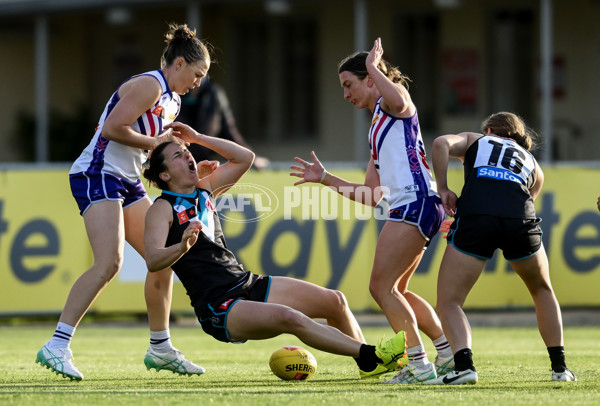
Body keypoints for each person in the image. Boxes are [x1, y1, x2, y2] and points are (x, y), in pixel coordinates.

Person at [141, 128, 408, 379]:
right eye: (178, 155)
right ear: (164, 175)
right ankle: (372, 354)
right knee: (289, 317)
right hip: (218, 306)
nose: (187, 155)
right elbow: (153, 260)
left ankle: (368, 365)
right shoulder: (161, 208)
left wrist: (198, 137)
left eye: (186, 151)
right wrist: (181, 247)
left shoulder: (204, 190)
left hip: (245, 283)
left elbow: (245, 158)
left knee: (334, 301)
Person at [36, 24, 210, 380]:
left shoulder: (172, 100)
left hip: (126, 179)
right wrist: (157, 144)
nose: (199, 82)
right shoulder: (150, 85)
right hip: (98, 173)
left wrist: (181, 164)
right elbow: (113, 128)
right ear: (179, 63)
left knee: (161, 256)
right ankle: (57, 344)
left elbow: (144, 146)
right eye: (197, 74)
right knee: (110, 262)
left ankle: (160, 347)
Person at [290, 38, 453, 384]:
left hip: (414, 203)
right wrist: (325, 178)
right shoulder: (377, 126)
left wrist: (374, 68)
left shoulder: (395, 106)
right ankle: (447, 352)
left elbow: (398, 97)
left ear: (369, 79)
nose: (346, 94)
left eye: (349, 84)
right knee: (399, 291)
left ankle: (420, 366)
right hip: (418, 205)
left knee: (381, 288)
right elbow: (372, 195)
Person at [425, 111, 576, 385]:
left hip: (478, 218)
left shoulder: (475, 139)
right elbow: (522, 197)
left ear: (491, 130)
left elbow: (440, 144)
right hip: (519, 219)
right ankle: (560, 369)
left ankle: (465, 367)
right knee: (542, 290)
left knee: (449, 301)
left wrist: (444, 188)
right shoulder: (533, 163)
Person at [178, 75, 270, 169]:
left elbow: (229, 130)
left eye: (200, 75)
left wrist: (250, 156)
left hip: (205, 158)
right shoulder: (173, 93)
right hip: (178, 157)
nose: (196, 82)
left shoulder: (214, 92)